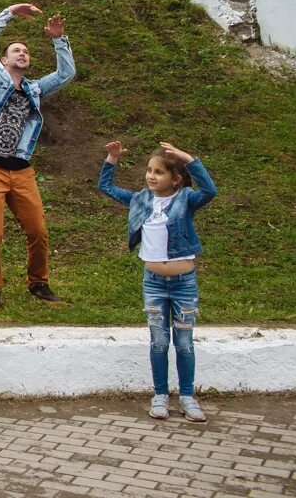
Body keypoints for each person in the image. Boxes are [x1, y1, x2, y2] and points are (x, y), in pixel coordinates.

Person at [99, 141, 217, 423]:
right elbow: (107, 188)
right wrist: (111, 159)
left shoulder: (186, 199)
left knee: (185, 343)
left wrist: (189, 159)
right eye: (149, 170)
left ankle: (187, 397)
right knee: (159, 341)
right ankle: (160, 395)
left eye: (159, 172)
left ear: (175, 179)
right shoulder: (141, 199)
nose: (151, 176)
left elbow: (210, 190)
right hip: (153, 282)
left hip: (184, 284)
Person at [0, 4, 74, 311]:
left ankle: (38, 284)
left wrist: (58, 40)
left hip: (21, 171)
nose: (22, 53)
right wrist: (9, 12)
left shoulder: (35, 90)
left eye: (25, 51)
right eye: (16, 50)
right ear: (4, 60)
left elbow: (67, 74)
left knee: (38, 230)